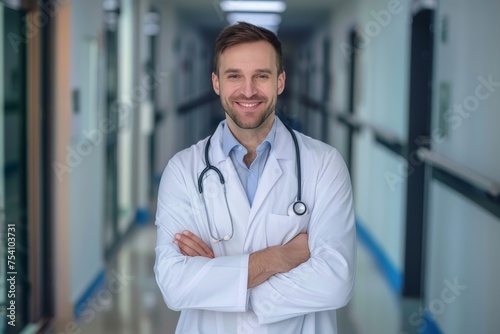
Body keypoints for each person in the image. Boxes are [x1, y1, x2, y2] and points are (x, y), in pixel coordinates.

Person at [154, 22, 356, 334]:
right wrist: (283, 256)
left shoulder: (324, 164)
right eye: (234, 76)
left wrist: (218, 282)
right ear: (216, 83)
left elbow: (335, 282)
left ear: (280, 81)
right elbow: (175, 285)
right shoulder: (183, 170)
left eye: (261, 76)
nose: (248, 91)